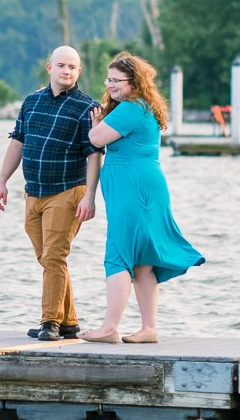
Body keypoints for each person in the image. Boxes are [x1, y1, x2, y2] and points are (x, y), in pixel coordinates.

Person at [80, 51, 204, 344]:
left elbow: (96, 140)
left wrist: (95, 123)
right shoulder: (141, 107)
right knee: (142, 262)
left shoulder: (130, 108)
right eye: (108, 79)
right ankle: (149, 328)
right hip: (143, 187)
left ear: (133, 82)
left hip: (134, 188)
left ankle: (110, 327)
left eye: (116, 81)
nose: (110, 85)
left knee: (119, 254)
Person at [0, 46, 101, 342]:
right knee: (48, 258)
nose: (66, 71)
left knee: (54, 256)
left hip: (68, 191)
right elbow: (18, 142)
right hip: (34, 192)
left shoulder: (87, 108)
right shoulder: (31, 102)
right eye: (61, 65)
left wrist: (90, 195)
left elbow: (94, 155)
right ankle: (69, 322)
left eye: (72, 67)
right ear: (48, 68)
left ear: (79, 72)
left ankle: (50, 322)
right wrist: (2, 181)